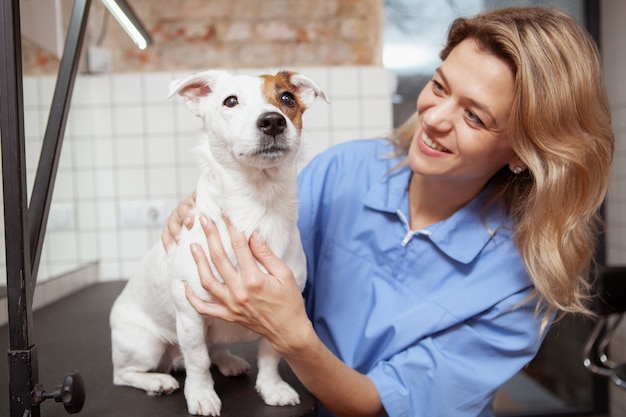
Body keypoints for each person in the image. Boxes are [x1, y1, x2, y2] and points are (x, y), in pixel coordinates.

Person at [162, 6, 614, 417]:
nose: (434, 119)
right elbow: (264, 244)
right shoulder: (344, 170)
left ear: (523, 151)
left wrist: (291, 335)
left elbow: (381, 406)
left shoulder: (519, 286)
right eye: (439, 86)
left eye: (475, 117)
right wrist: (202, 209)